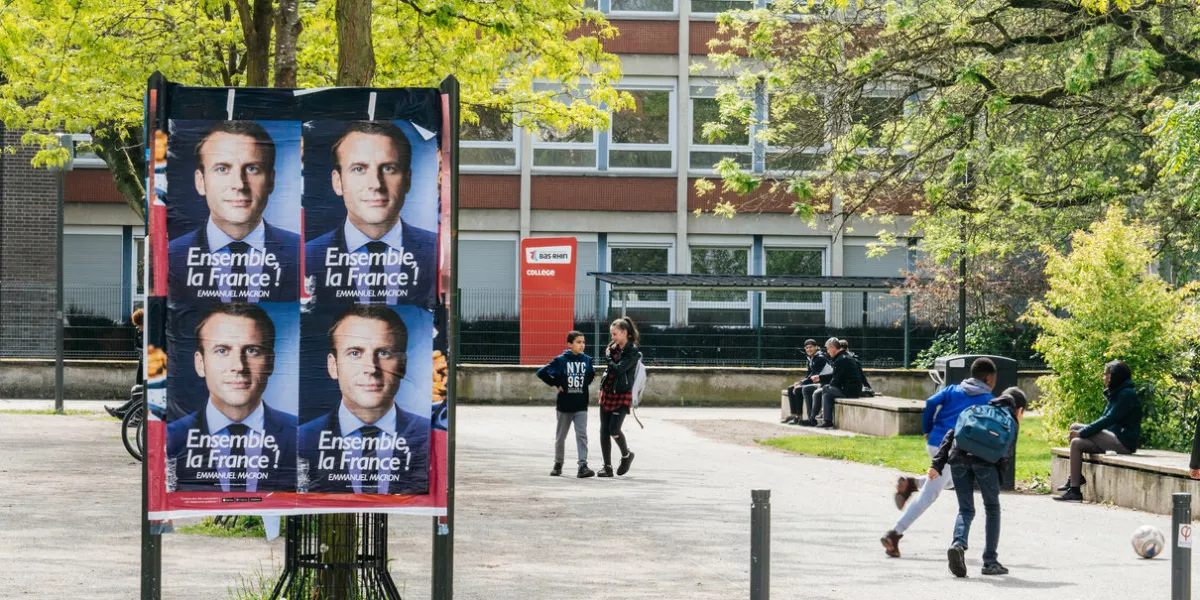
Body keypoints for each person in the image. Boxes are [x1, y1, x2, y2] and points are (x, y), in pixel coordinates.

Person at [299, 304, 431, 495]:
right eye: (355, 353)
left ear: (402, 365)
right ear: (333, 366)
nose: (371, 368)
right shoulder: (302, 440)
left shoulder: (428, 437)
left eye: (384, 353)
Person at [166, 303, 297, 492]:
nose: (238, 366)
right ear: (200, 363)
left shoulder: (301, 437)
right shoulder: (171, 439)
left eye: (252, 350)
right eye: (222, 351)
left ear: (270, 362)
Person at [305, 121, 437, 308]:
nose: (376, 184)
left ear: (407, 180)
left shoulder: (436, 252)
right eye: (359, 169)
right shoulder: (306, 258)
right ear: (337, 182)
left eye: (389, 168)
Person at [168, 121, 301, 304]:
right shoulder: (170, 258)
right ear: (201, 181)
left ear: (271, 181)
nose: (239, 184)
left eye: (252, 169)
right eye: (222, 169)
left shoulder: (303, 255)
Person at [881, 357, 997, 558]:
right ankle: (895, 533)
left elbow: (930, 402)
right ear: (988, 378)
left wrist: (927, 428)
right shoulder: (987, 400)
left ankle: (911, 483)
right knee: (930, 494)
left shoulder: (953, 389)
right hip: (952, 450)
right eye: (994, 378)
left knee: (950, 482)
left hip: (935, 442)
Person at [930, 387, 1027, 577]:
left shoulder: (979, 409)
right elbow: (1006, 454)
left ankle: (958, 544)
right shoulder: (1010, 421)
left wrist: (937, 464)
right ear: (1019, 410)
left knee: (965, 509)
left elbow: (952, 433)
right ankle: (990, 562)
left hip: (958, 458)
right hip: (986, 464)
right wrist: (998, 479)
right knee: (992, 508)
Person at [1055, 360, 1141, 502]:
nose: (1103, 378)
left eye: (1106, 374)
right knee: (1076, 440)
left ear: (1114, 376)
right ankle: (1075, 488)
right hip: (1112, 438)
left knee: (1077, 432)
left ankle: (1074, 482)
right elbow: (1105, 421)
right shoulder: (1118, 392)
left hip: (1123, 442)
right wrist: (1080, 433)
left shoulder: (1126, 395)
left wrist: (1083, 433)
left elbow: (1107, 420)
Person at [537, 331, 596, 478]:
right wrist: (556, 383)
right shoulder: (561, 360)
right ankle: (558, 464)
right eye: (578, 342)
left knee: (582, 435)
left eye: (583, 342)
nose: (582, 345)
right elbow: (542, 372)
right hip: (565, 405)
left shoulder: (587, 360)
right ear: (569, 344)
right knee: (561, 437)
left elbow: (590, 375)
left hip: (581, 404)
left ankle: (583, 466)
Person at [597, 317, 642, 478]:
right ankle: (606, 466)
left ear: (625, 333)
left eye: (615, 334)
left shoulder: (633, 352)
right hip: (607, 392)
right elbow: (609, 372)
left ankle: (626, 455)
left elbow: (618, 370)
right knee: (604, 430)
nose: (612, 337)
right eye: (611, 334)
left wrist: (608, 358)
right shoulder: (612, 348)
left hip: (622, 393)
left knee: (614, 429)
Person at [815, 338, 863, 429]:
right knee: (827, 395)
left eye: (828, 349)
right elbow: (836, 376)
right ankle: (827, 421)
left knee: (826, 389)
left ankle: (822, 413)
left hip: (850, 391)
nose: (827, 352)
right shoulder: (842, 357)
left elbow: (836, 380)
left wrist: (826, 387)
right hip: (849, 389)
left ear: (833, 348)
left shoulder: (841, 359)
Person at [106, 308, 145, 418]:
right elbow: (137, 347)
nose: (138, 328)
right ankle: (122, 412)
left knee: (141, 392)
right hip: (142, 363)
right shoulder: (140, 334)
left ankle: (123, 413)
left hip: (148, 365)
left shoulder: (150, 334)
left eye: (139, 325)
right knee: (139, 392)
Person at [783, 339, 831, 426]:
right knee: (791, 388)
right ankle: (794, 415)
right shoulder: (810, 358)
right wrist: (800, 382)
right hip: (815, 381)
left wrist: (801, 384)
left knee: (798, 389)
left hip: (823, 382)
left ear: (816, 347)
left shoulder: (820, 358)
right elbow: (808, 375)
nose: (809, 349)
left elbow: (814, 375)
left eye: (811, 347)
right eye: (807, 348)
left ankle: (800, 417)